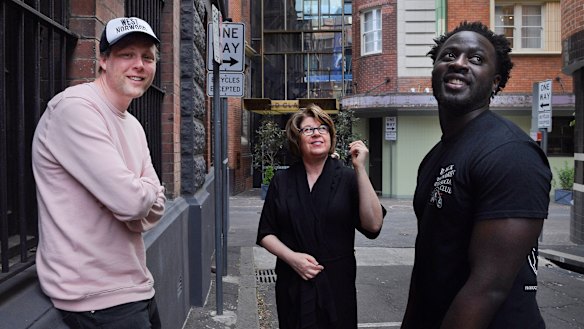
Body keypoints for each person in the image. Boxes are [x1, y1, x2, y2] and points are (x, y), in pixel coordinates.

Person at [401, 21, 552, 328]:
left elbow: (488, 288)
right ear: (434, 71)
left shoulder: (510, 153)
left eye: (476, 59)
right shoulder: (435, 156)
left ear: (495, 83)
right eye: (449, 55)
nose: (458, 63)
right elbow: (429, 267)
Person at [32, 17, 166, 329]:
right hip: (94, 297)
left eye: (147, 57)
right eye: (127, 54)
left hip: (137, 286)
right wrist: (135, 197)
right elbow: (133, 203)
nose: (139, 65)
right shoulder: (74, 109)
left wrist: (131, 198)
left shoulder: (132, 123)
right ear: (103, 60)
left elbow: (154, 209)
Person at [256, 104, 386, 329]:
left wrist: (360, 169)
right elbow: (266, 233)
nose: (316, 133)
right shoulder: (282, 181)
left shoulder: (348, 178)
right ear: (297, 139)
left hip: (336, 285)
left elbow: (373, 225)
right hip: (293, 284)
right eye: (308, 130)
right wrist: (293, 259)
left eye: (323, 128)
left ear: (331, 136)